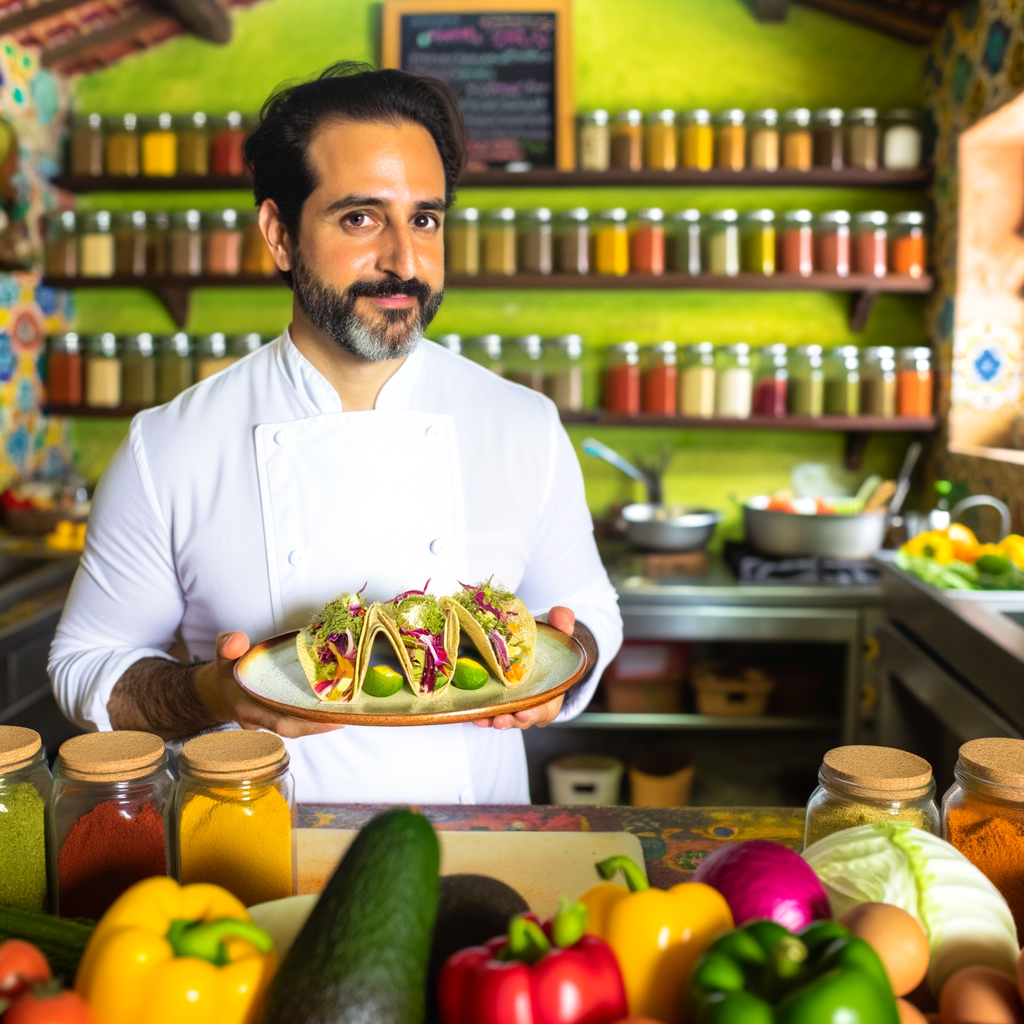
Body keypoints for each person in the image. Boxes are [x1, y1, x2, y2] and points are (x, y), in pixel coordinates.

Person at [48, 63, 622, 804]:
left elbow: (590, 613)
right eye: (360, 218)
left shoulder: (523, 425)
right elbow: (85, 664)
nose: (404, 261)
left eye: (424, 218)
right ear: (279, 235)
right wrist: (209, 696)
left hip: (479, 853)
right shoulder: (170, 446)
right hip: (253, 861)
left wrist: (563, 673)